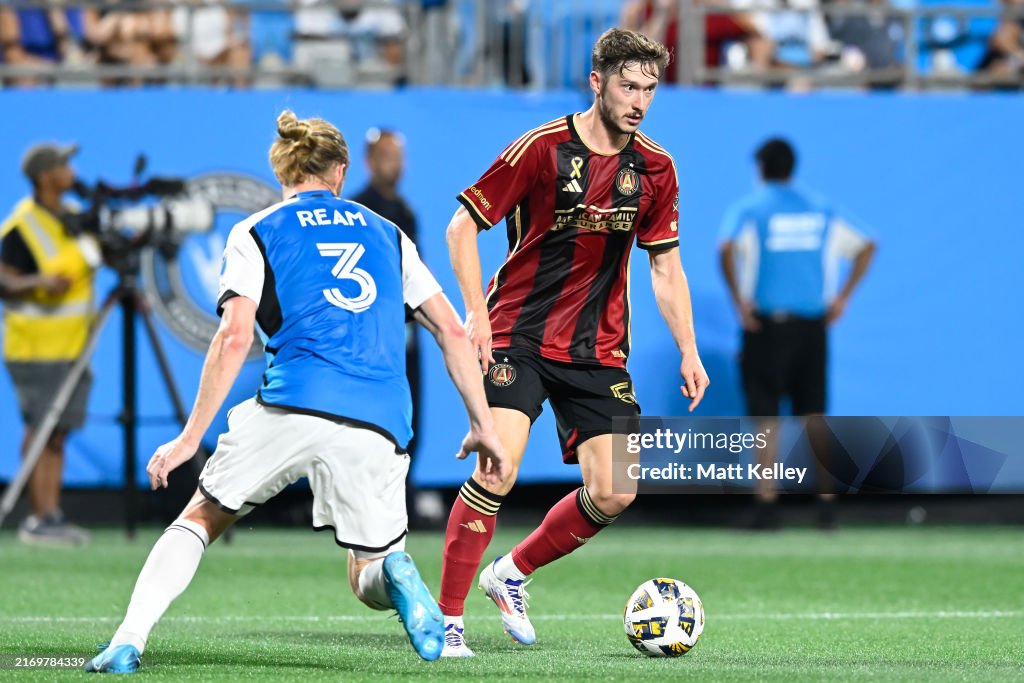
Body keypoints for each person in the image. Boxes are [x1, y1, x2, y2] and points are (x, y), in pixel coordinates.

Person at [84, 110, 506, 674]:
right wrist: (482, 424)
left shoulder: (257, 230)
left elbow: (235, 336)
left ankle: (127, 641)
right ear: (341, 171)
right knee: (367, 573)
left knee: (201, 518)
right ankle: (394, 572)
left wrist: (189, 438)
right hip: (379, 418)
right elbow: (452, 331)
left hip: (294, 401)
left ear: (281, 169)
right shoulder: (388, 233)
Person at [438, 28, 710, 657]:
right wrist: (476, 314)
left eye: (649, 89)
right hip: (518, 334)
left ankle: (511, 573)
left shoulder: (657, 168)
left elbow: (665, 267)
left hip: (597, 349)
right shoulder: (540, 149)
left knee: (617, 489)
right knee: (497, 467)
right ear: (597, 82)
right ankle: (447, 622)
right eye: (628, 86)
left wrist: (689, 349)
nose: (639, 101)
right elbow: (460, 228)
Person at [718, 137, 875, 529]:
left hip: (766, 325)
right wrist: (842, 297)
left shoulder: (751, 208)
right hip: (811, 327)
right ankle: (827, 505)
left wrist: (739, 302)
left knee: (766, 417)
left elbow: (725, 248)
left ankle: (767, 507)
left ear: (761, 169)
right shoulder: (820, 209)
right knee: (814, 414)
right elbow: (866, 246)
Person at [1, 143, 100, 546]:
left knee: (57, 433)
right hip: (35, 347)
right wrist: (38, 282)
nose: (71, 170)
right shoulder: (22, 226)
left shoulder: (74, 217)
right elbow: (3, 278)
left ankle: (51, 514)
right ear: (45, 176)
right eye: (63, 165)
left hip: (73, 347)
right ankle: (38, 518)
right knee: (41, 429)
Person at [350, 127, 438, 528]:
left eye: (400, 157)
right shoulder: (357, 210)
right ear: (369, 162)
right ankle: (361, 504)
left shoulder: (405, 211)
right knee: (369, 419)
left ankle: (400, 498)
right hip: (369, 337)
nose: (396, 165)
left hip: (406, 336)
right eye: (387, 157)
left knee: (409, 416)